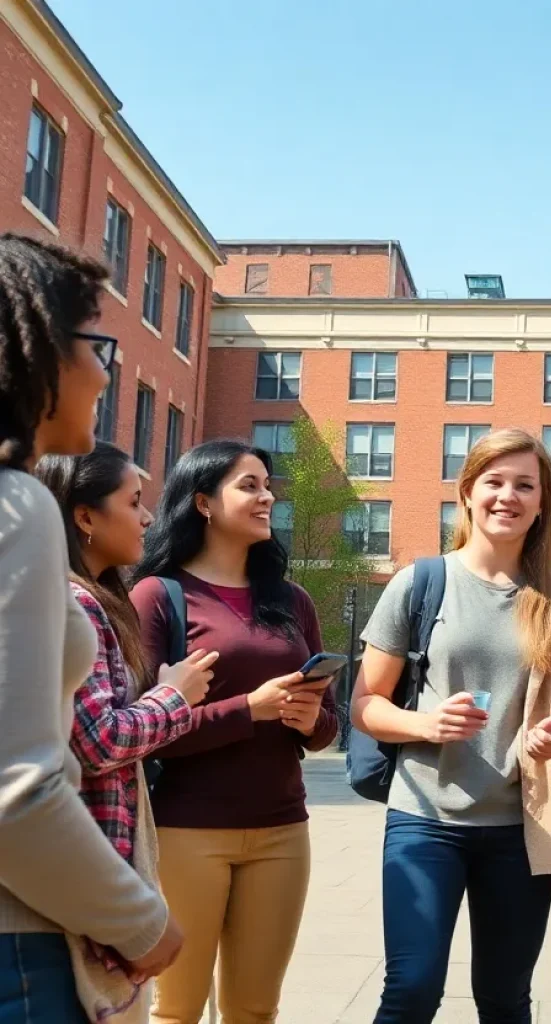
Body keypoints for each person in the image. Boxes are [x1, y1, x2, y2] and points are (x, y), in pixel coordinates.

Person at [351, 427, 551, 1024]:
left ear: (542, 503)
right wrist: (425, 723)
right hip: (423, 820)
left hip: (521, 828)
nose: (507, 496)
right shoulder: (420, 582)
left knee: (504, 1000)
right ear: (466, 492)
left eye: (524, 485)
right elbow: (365, 704)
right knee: (411, 990)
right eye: (494, 482)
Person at [0, 234, 182, 1022]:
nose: (107, 371)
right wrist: (144, 925)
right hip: (21, 943)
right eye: (94, 343)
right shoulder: (18, 505)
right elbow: (15, 787)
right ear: (34, 347)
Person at [130, 439, 339, 1024]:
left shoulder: (292, 600)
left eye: (268, 486)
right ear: (202, 502)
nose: (267, 496)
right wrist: (250, 709)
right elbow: (141, 729)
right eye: (249, 486)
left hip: (281, 831)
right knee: (176, 1008)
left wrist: (309, 719)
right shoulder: (157, 596)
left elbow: (327, 727)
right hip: (184, 831)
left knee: (255, 1009)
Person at [36, 443, 219, 1019]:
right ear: (84, 517)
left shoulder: (92, 599)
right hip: (81, 889)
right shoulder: (76, 602)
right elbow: (100, 742)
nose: (147, 517)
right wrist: (175, 695)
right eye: (135, 502)